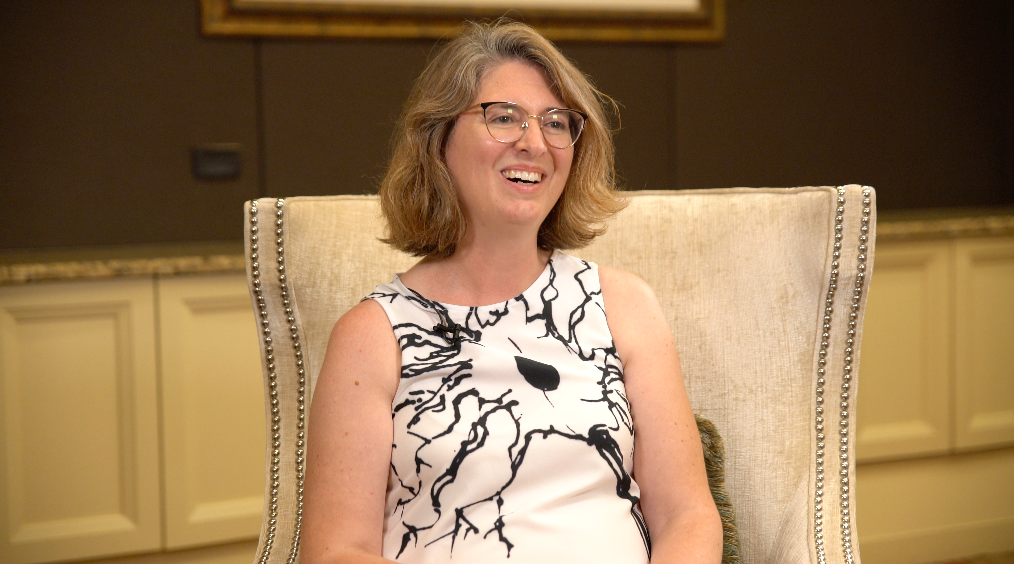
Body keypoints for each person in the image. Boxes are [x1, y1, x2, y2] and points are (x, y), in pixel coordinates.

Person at [301, 20, 722, 564]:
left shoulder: (623, 306)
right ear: (438, 140)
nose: (534, 143)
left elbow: (687, 517)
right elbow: (336, 553)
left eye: (556, 123)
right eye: (503, 117)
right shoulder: (372, 336)